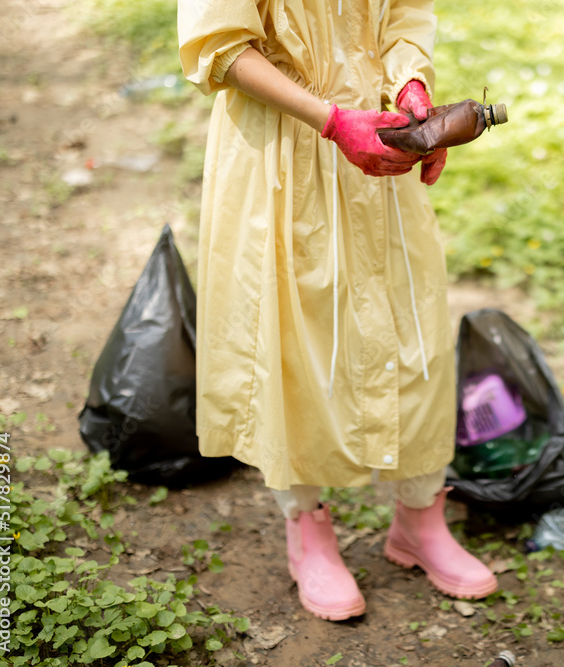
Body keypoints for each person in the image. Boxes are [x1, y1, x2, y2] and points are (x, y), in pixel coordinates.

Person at [176, 0, 498, 621]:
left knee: (413, 327)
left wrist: (412, 89)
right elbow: (220, 45)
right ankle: (308, 531)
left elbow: (405, 12)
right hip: (282, 147)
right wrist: (330, 121)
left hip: (379, 141)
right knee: (297, 342)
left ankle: (420, 518)